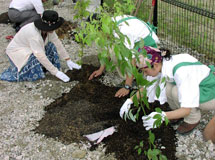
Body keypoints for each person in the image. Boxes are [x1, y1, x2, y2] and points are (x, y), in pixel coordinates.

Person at [120, 46, 215, 136]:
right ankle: (176, 113)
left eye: (145, 71)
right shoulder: (163, 63)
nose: (145, 74)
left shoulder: (181, 73)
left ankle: (193, 119)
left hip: (209, 92)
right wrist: (130, 101)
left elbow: (186, 109)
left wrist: (162, 115)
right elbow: (147, 87)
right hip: (196, 86)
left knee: (176, 92)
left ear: (156, 65)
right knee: (167, 87)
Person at [88, 15, 160, 98]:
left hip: (149, 46)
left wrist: (127, 86)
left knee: (118, 55)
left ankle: (132, 80)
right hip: (136, 41)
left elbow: (130, 60)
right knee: (111, 49)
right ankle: (133, 75)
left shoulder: (122, 32)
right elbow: (106, 50)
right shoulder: (109, 24)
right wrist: (100, 69)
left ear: (102, 30)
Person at [0, 10, 81, 82]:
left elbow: (57, 43)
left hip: (32, 47)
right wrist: (55, 72)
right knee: (34, 58)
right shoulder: (33, 34)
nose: (54, 29)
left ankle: (45, 67)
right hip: (17, 51)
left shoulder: (49, 31)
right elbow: (39, 55)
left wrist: (68, 59)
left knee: (51, 46)